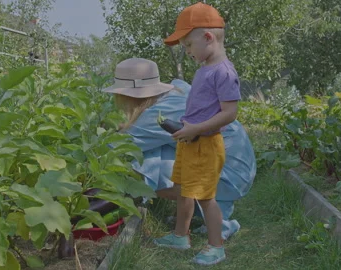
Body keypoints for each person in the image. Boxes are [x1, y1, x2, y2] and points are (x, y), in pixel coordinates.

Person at [102, 56, 253, 265]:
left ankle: (217, 235)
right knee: (176, 176)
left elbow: (117, 146)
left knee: (145, 167)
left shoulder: (158, 113)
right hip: (232, 161)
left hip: (225, 168)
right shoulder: (176, 90)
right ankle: (184, 232)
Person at [159, 2, 240, 265]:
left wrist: (195, 129)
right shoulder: (205, 68)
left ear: (208, 37)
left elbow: (229, 113)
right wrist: (185, 128)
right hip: (191, 141)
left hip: (205, 144)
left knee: (206, 198)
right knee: (183, 190)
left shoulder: (224, 72)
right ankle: (181, 236)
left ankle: (216, 246)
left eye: (188, 46)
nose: (188, 52)